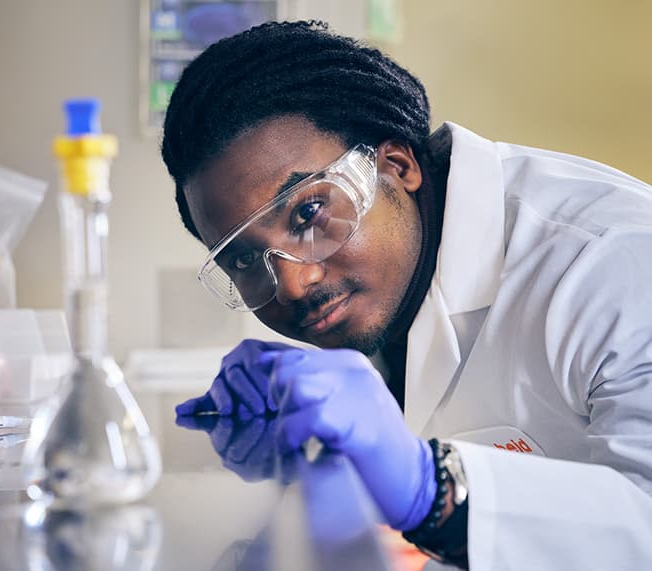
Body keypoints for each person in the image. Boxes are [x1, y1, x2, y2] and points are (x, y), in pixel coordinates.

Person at [160, 20, 652, 569]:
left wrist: (433, 489)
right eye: (246, 259)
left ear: (398, 165)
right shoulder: (390, 284)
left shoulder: (612, 262)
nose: (295, 284)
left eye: (307, 213)